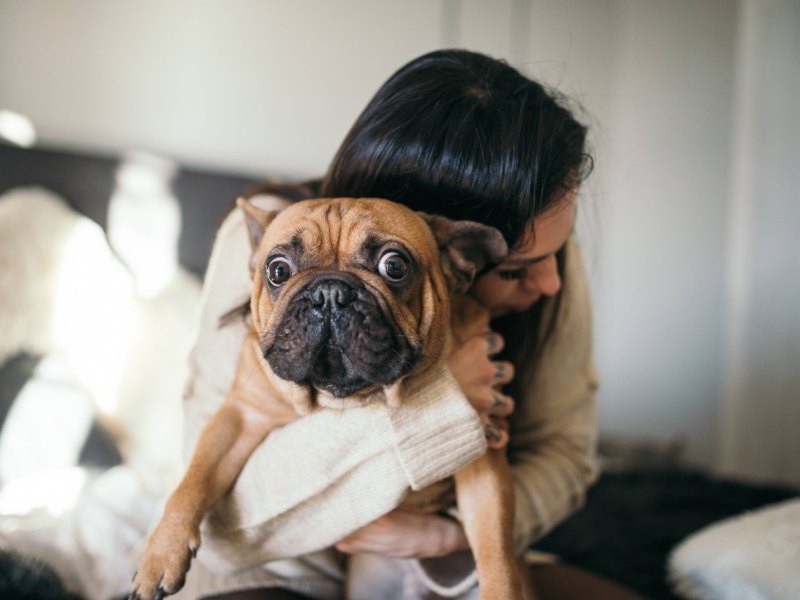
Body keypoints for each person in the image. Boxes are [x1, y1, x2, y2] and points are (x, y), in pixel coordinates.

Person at [181, 49, 643, 599]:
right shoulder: (269, 233)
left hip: (462, 555)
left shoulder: (544, 249)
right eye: (516, 268)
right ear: (449, 250)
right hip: (273, 572)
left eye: (558, 255)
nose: (551, 285)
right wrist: (436, 405)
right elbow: (220, 530)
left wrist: (443, 538)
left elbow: (566, 455)